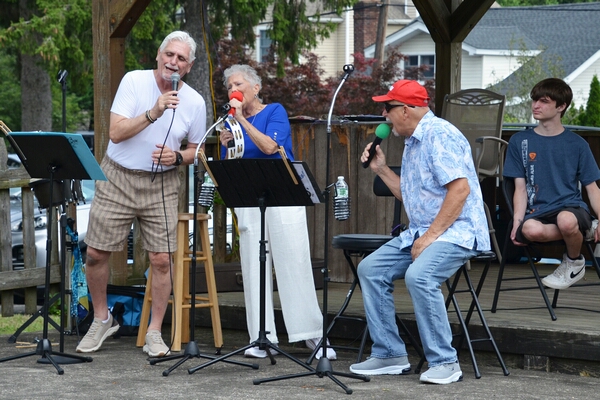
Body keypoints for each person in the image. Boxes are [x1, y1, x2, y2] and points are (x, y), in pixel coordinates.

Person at [349, 80, 490, 384]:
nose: (384, 115)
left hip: (457, 231)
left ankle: (445, 362)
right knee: (370, 269)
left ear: (405, 110)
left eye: (387, 108)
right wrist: (381, 169)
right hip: (423, 231)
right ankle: (389, 354)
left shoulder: (439, 135)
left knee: (420, 276)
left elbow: (460, 190)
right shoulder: (413, 141)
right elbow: (412, 196)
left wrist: (428, 237)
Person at [77, 31, 206, 357]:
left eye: (181, 58)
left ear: (189, 66)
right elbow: (116, 133)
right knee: (95, 253)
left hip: (162, 183)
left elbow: (197, 150)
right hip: (117, 177)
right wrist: (154, 112)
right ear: (159, 55)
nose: (173, 62)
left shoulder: (195, 102)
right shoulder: (134, 81)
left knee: (161, 259)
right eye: (169, 55)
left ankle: (154, 331)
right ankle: (102, 319)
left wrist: (177, 157)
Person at [218, 64, 336, 360]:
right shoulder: (229, 123)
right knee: (253, 265)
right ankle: (262, 338)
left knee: (293, 259)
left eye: (239, 84)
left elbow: (270, 147)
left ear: (256, 88)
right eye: (229, 86)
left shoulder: (274, 111)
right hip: (250, 195)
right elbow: (229, 166)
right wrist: (226, 145)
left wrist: (241, 120)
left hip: (283, 192)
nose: (233, 90)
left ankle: (311, 333)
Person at [503, 77, 600, 290]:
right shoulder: (519, 141)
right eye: (534, 100)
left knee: (566, 220)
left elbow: (592, 189)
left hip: (571, 208)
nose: (535, 105)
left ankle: (573, 262)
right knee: (530, 230)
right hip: (538, 211)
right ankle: (584, 231)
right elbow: (519, 188)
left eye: (544, 101)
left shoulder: (578, 144)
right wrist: (517, 222)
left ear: (561, 106)